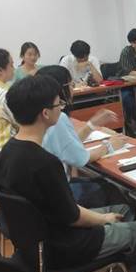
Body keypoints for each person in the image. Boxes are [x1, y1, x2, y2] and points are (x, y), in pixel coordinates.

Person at [0, 74, 136, 272]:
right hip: (65, 245)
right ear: (45, 114)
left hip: (37, 243)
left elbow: (61, 207)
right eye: (58, 104)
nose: (61, 107)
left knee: (123, 208)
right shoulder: (44, 163)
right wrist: (104, 219)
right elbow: (73, 217)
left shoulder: (10, 150)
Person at [38, 65, 126, 208]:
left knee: (102, 183)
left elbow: (68, 145)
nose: (73, 88)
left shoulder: (39, 114)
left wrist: (91, 124)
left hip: (49, 191)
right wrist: (109, 146)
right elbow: (80, 158)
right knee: (115, 190)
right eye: (71, 84)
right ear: (61, 90)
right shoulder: (57, 118)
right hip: (61, 196)